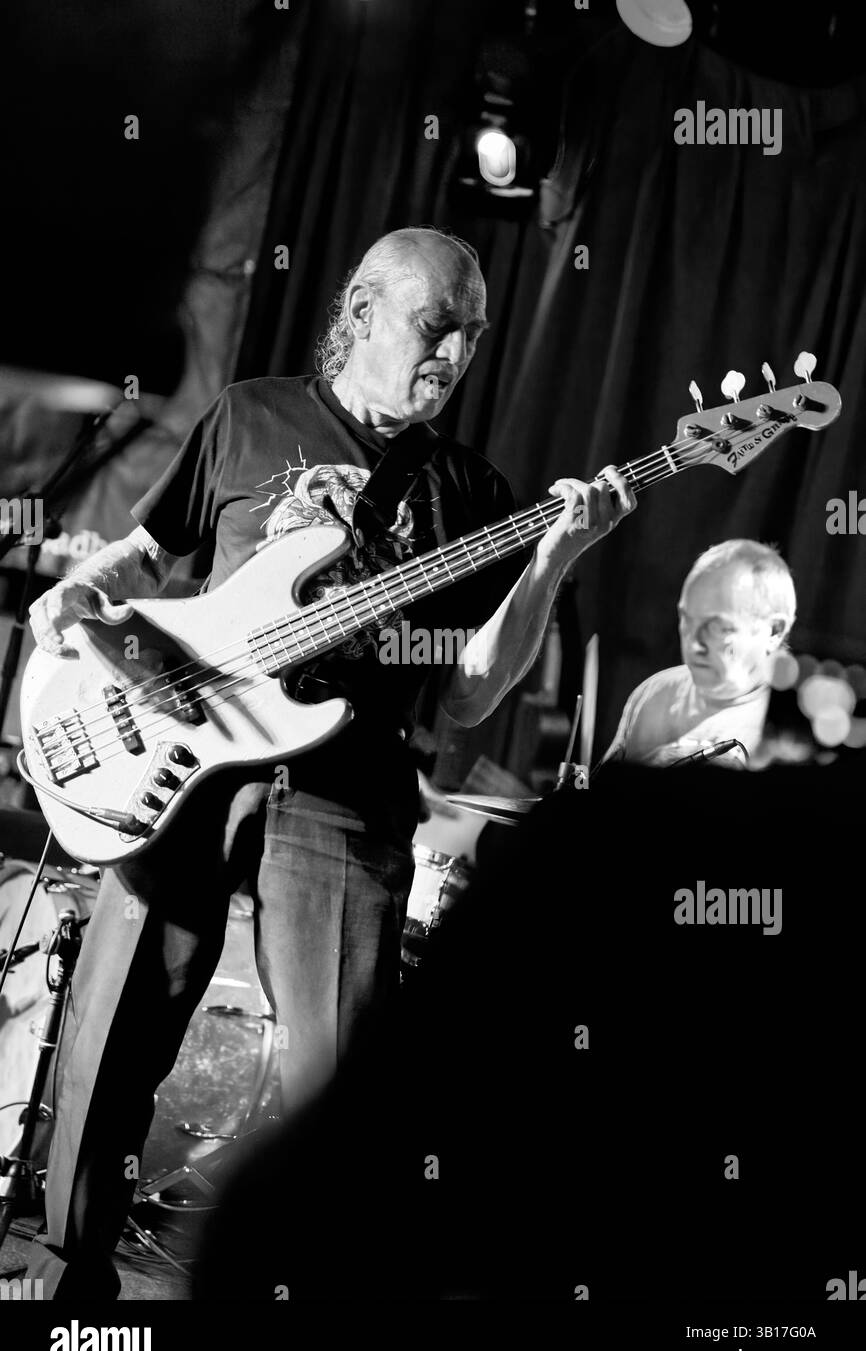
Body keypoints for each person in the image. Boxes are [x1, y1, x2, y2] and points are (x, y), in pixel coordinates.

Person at [24, 226, 635, 1297]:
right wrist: (82, 591)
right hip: (174, 755)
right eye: (434, 326)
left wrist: (551, 557)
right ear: (361, 309)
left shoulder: (472, 495)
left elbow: (467, 690)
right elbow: (150, 549)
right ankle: (73, 1283)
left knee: (342, 1088)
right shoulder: (249, 414)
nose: (453, 354)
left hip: (344, 790)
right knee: (115, 1032)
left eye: (473, 336)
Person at [604, 539, 796, 768]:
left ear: (774, 631)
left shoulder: (789, 735)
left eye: (717, 626)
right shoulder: (655, 692)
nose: (694, 644)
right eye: (687, 619)